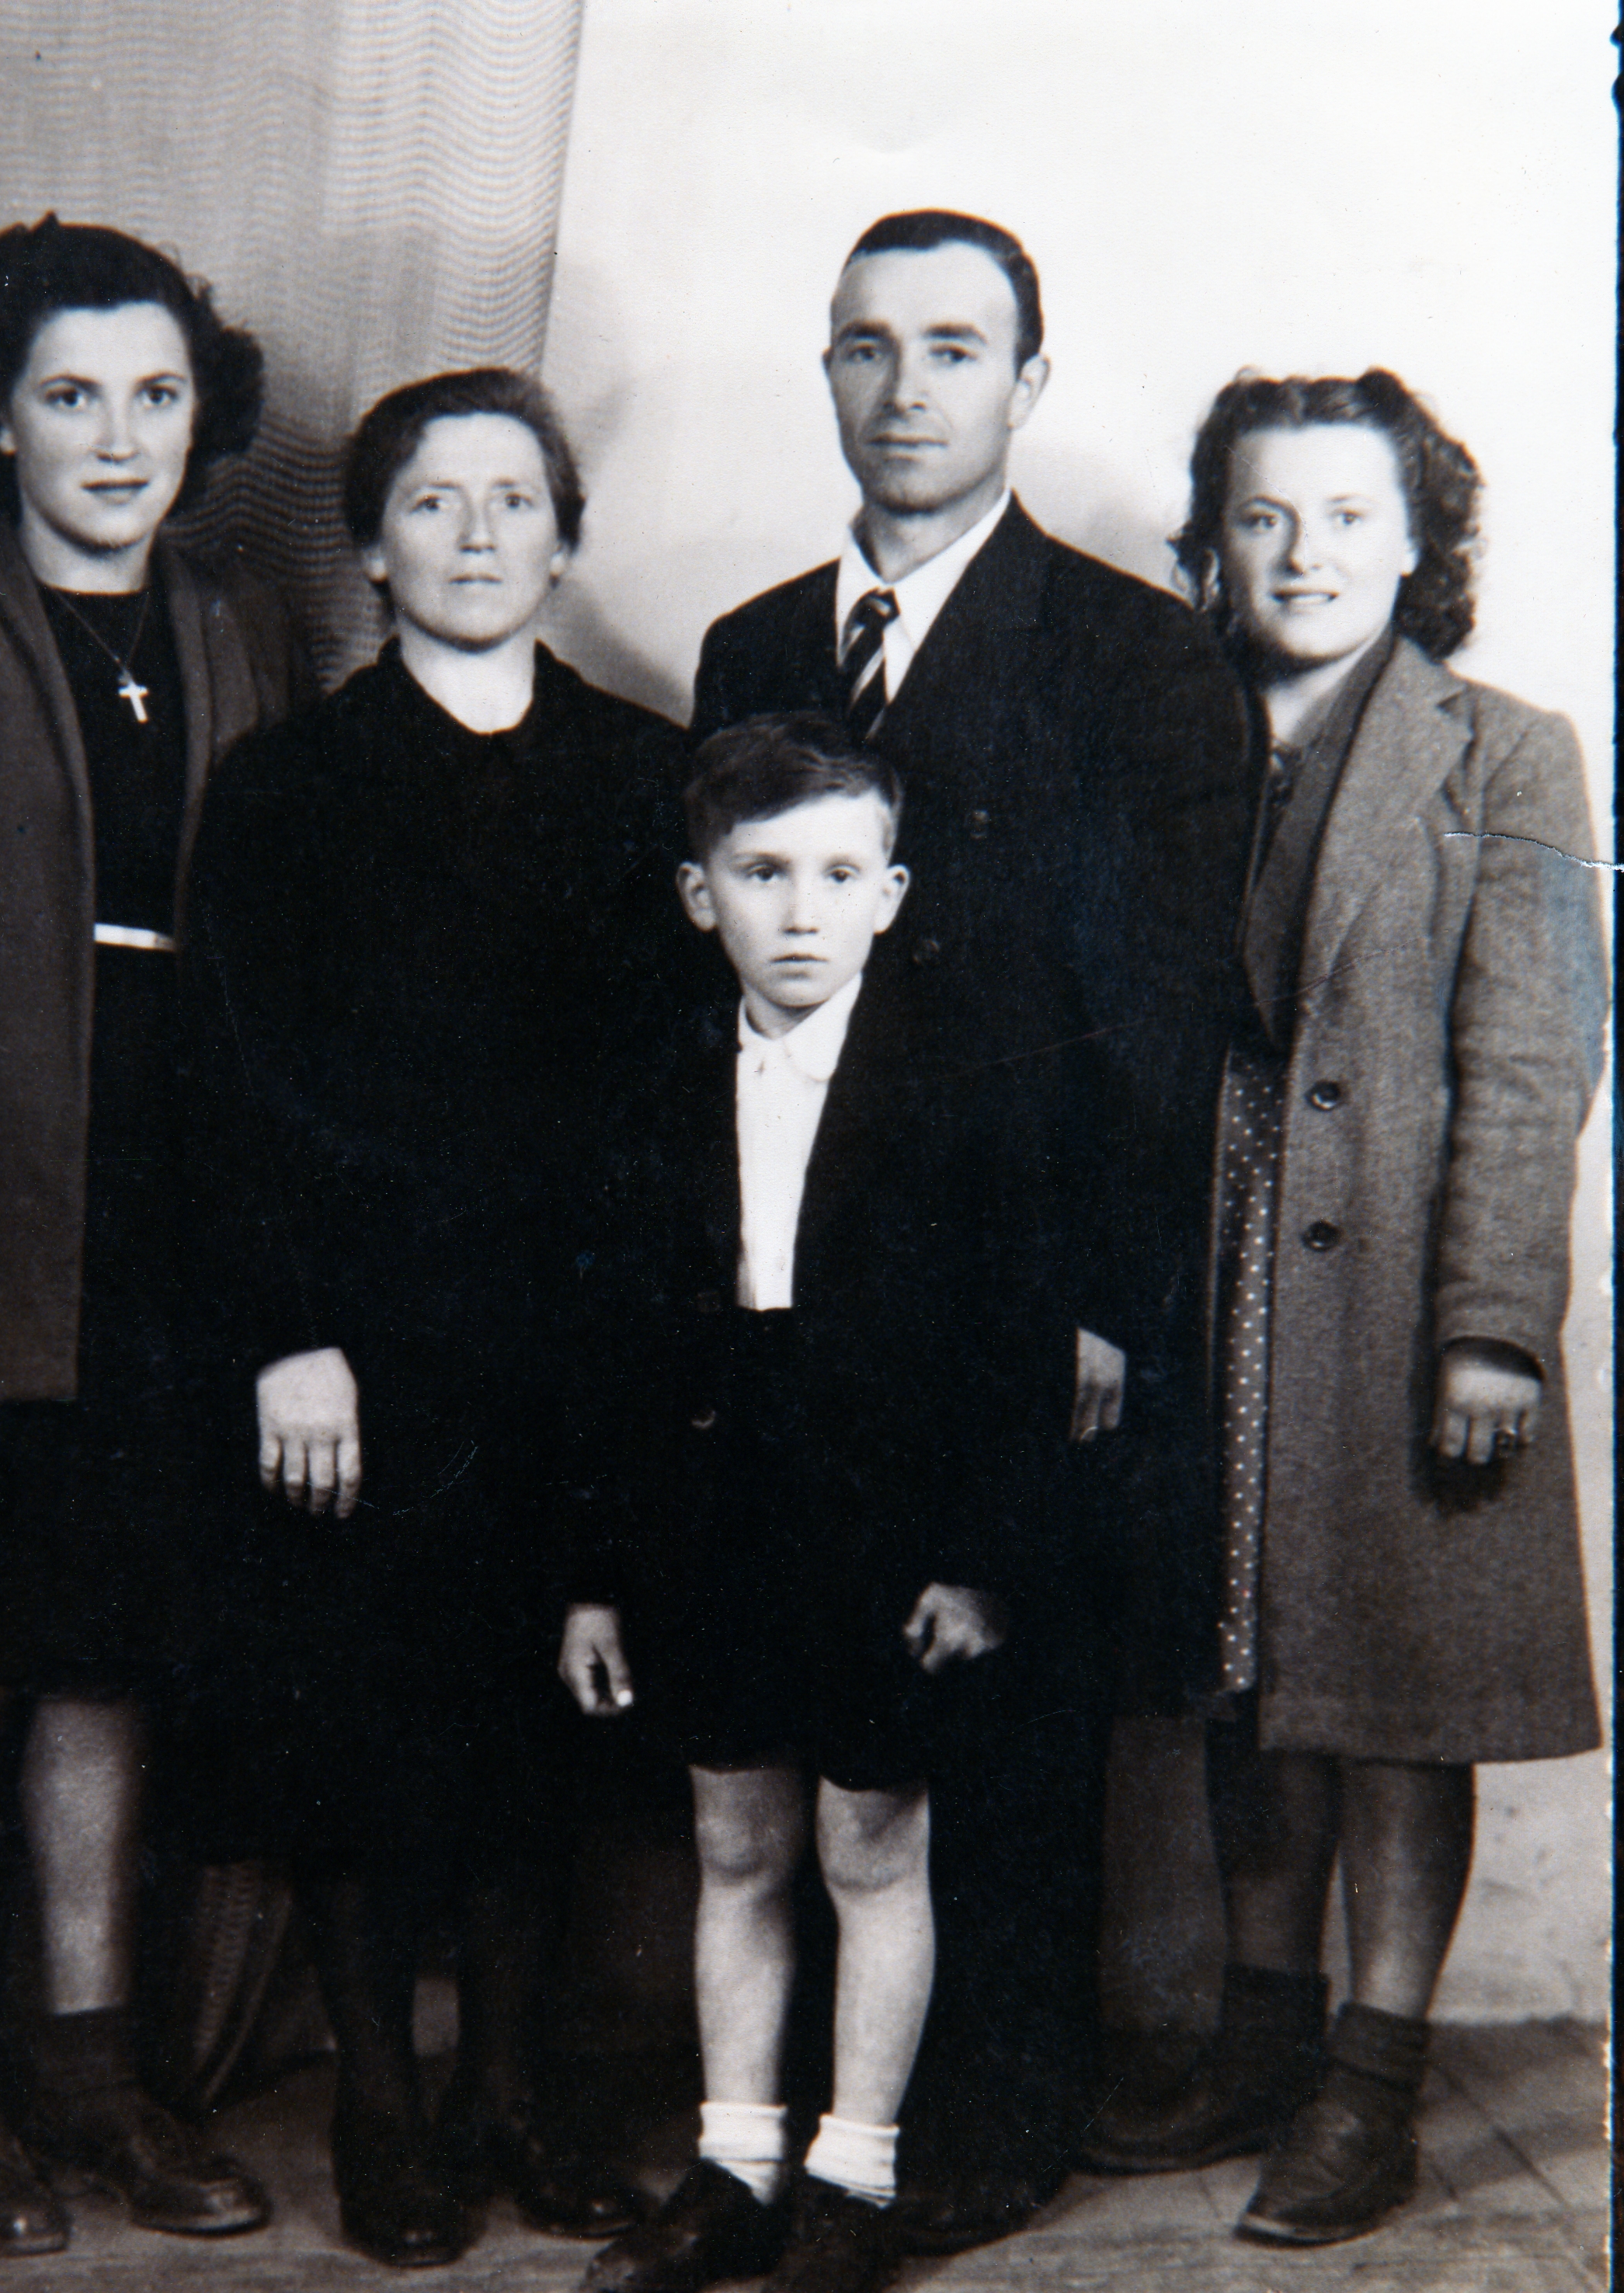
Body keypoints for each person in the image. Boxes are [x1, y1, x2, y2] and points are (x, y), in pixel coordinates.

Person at [689, 209, 1254, 2243]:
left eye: (953, 348)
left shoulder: (1135, 655)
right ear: (827, 371)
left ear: (1027, 385)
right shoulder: (757, 648)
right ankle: (785, 2126)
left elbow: (1163, 1012)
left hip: (1023, 1279)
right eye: (867, 345)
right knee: (816, 1714)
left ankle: (990, 2120)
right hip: (805, 1285)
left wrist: (1103, 1298)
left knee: (999, 1683)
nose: (905, 388)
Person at [0, 217, 304, 2259]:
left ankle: (95, 2075)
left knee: (108, 1667)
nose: (119, 438)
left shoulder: (237, 625)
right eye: (72, 395)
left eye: (157, 394)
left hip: (169, 1245)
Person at [1080, 371, 1606, 2246]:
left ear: (1418, 543)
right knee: (1246, 1677)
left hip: (1396, 1297)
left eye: (1348, 518)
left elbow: (1533, 1063)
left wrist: (1492, 1326)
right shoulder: (1166, 732)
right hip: (1206, 1281)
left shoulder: (1507, 754)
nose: (1303, 556)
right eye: (1264, 517)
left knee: (1397, 1695)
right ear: (1215, 542)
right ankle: (1263, 2034)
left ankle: (1374, 2078)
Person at [185, 366, 682, 2269]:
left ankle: (515, 2102)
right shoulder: (289, 787)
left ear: (566, 540)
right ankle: (384, 2107)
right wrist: (290, 1335)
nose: (477, 536)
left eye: (514, 500)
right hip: (365, 1354)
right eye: (431, 502)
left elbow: (683, 1092)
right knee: (367, 1733)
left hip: (578, 1344)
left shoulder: (645, 775)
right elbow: (231, 1089)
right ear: (374, 550)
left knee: (545, 1734)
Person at [562, 716, 1024, 2293]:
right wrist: (596, 1580)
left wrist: (976, 1563)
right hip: (713, 1505)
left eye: (838, 874)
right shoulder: (658, 1081)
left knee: (872, 1845)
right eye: (763, 875)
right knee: (735, 1842)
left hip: (883, 1517)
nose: (802, 912)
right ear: (703, 898)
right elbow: (612, 1352)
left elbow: (1011, 1347)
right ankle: (739, 2162)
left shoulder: (960, 1083)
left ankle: (857, 2174)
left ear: (891, 894)